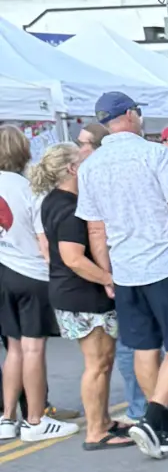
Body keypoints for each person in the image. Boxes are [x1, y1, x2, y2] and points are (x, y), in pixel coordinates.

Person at [77, 90, 168, 459]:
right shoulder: (154, 153)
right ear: (130, 114)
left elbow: (95, 229)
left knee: (145, 347)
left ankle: (159, 420)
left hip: (126, 269)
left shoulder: (89, 167)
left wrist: (108, 274)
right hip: (166, 262)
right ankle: (157, 417)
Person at [30, 143, 130, 448]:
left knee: (101, 361)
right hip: (82, 295)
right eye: (83, 160)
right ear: (72, 169)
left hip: (68, 292)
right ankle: (96, 431)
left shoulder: (52, 201)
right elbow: (73, 257)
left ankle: (103, 421)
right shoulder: (71, 207)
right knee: (98, 363)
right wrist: (108, 278)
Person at [0, 126, 77, 442]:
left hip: (2, 271)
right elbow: (44, 243)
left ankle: (7, 418)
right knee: (33, 348)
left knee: (14, 349)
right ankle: (35, 419)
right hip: (30, 274)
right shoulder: (28, 188)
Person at [75, 118, 146, 425]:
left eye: (84, 144)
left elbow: (97, 231)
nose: (79, 150)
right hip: (115, 271)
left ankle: (145, 408)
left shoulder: (98, 173)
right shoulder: (88, 177)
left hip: (132, 265)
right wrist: (106, 276)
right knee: (131, 346)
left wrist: (107, 276)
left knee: (138, 344)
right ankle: (141, 408)